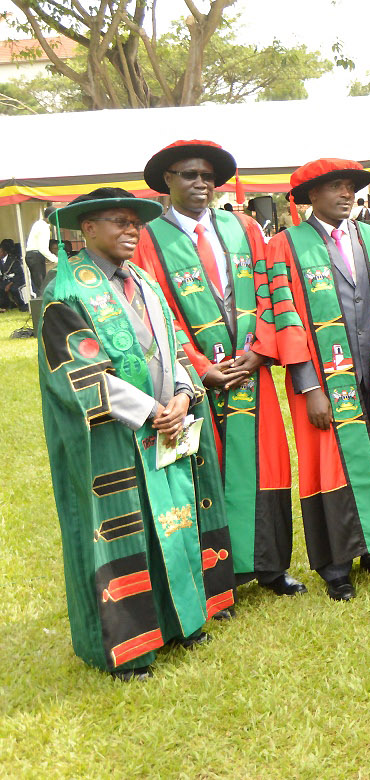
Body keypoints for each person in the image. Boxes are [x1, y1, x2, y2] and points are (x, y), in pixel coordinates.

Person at [38, 188, 236, 679]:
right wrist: (150, 410)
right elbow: (79, 374)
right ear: (87, 228)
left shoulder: (144, 281)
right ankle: (128, 645)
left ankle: (178, 622)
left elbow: (173, 344)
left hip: (166, 423)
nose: (131, 230)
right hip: (110, 434)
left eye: (134, 222)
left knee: (168, 521)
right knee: (123, 528)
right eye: (118, 221)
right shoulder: (64, 293)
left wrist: (185, 395)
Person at [131, 140, 301, 599]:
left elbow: (273, 290)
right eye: (188, 175)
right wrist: (201, 367)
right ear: (167, 180)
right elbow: (155, 314)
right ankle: (216, 578)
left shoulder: (242, 227)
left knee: (265, 467)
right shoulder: (148, 238)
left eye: (207, 175)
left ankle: (268, 566)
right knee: (205, 471)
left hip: (252, 371)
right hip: (193, 382)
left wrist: (262, 349)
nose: (200, 183)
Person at [264, 158, 370, 598]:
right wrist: (310, 386)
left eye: (350, 186)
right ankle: (335, 565)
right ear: (311, 195)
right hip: (323, 379)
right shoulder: (286, 245)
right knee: (328, 461)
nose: (346, 194)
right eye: (335, 186)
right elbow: (285, 318)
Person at [25, 206, 57, 298]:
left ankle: (40, 305)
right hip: (36, 256)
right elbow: (43, 249)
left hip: (31, 255)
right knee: (41, 285)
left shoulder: (38, 223)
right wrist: (56, 260)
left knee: (38, 284)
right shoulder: (44, 227)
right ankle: (42, 307)